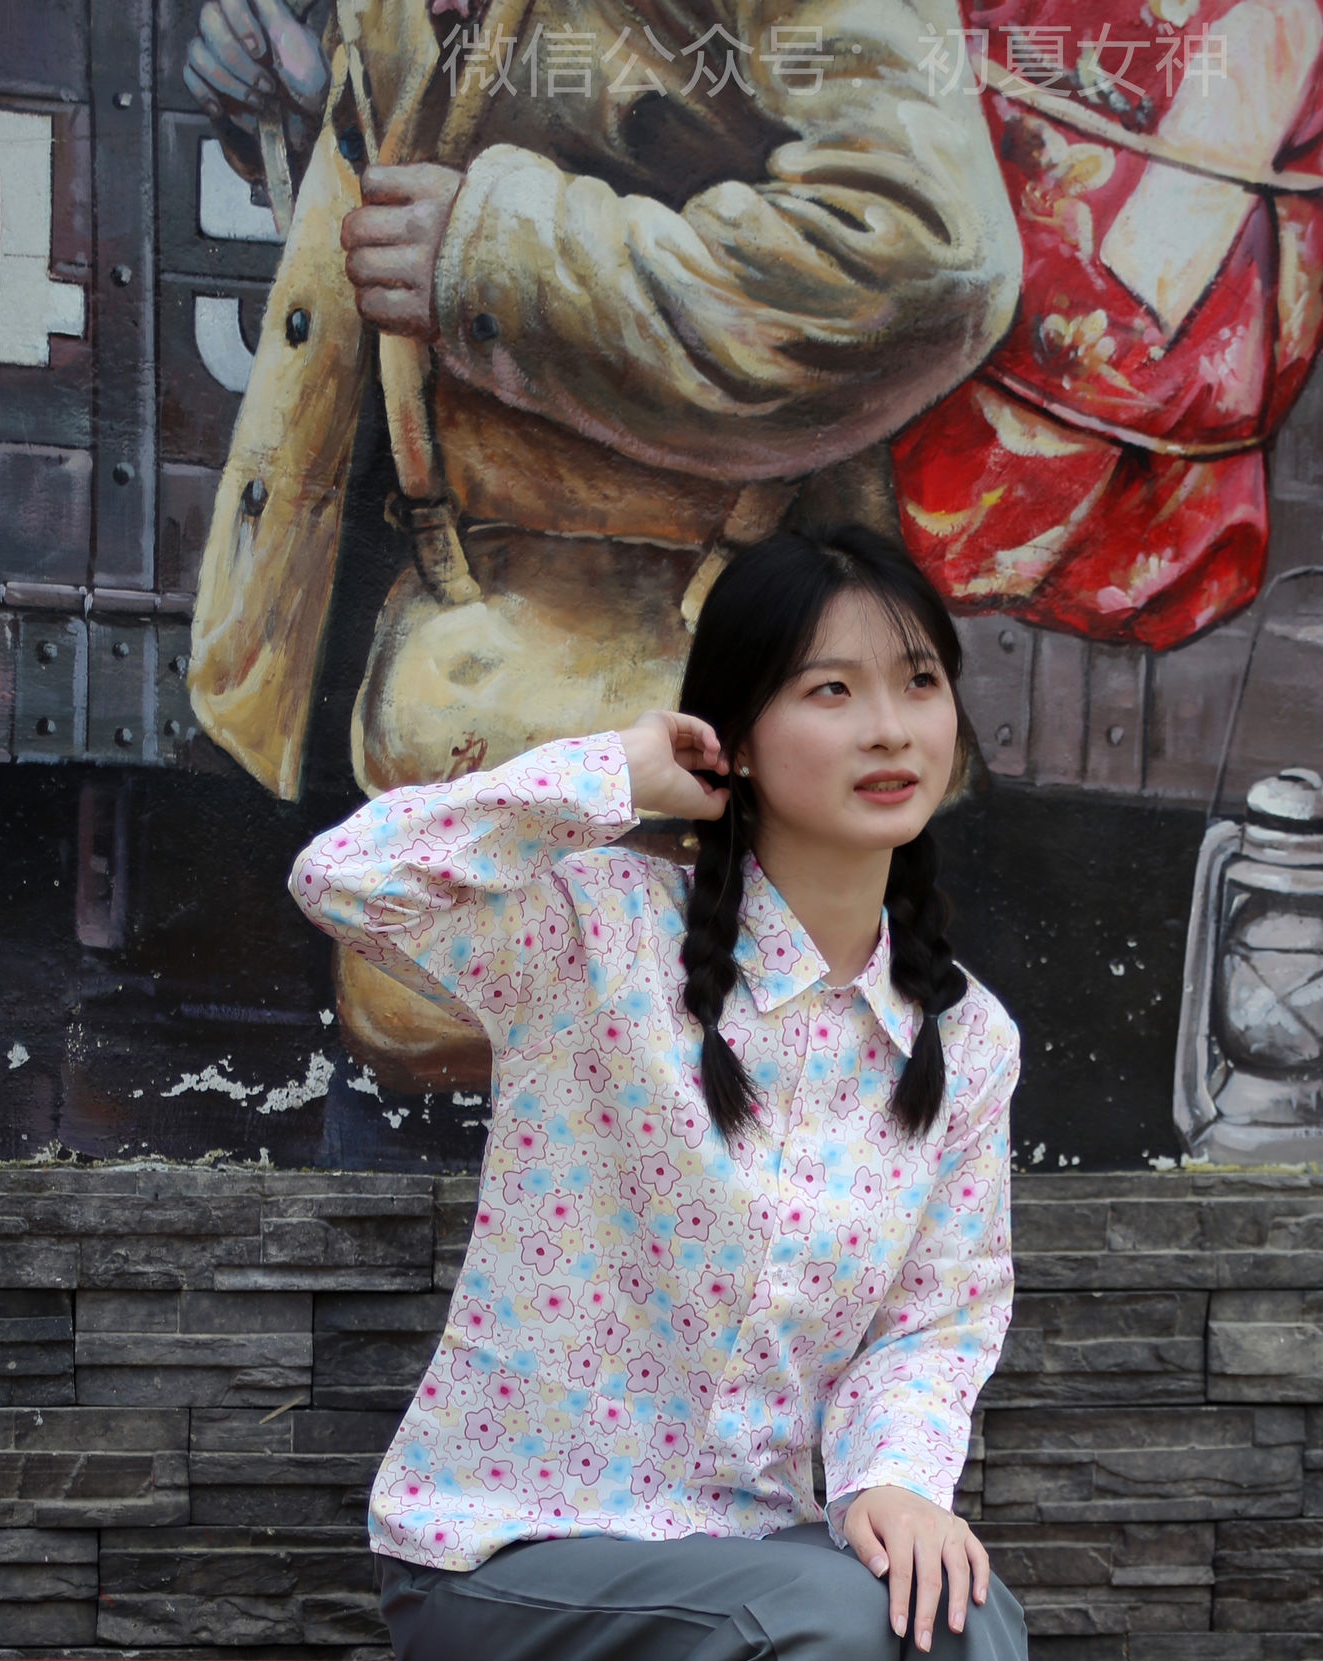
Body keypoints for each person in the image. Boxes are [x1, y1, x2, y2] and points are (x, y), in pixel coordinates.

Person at [287, 522, 1276, 1661]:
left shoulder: (961, 1040)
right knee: (823, 1613)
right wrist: (605, 774)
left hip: (758, 1571)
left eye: (918, 681)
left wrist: (895, 1480)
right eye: (831, 688)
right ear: (735, 733)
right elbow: (345, 879)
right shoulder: (596, 933)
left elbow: (939, 1313)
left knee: (946, 1604)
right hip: (503, 1563)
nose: (891, 726)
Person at [183, 0, 1022, 1095]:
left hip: (694, 819)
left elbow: (922, 258)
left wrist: (496, 260)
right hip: (446, 778)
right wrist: (316, 103)